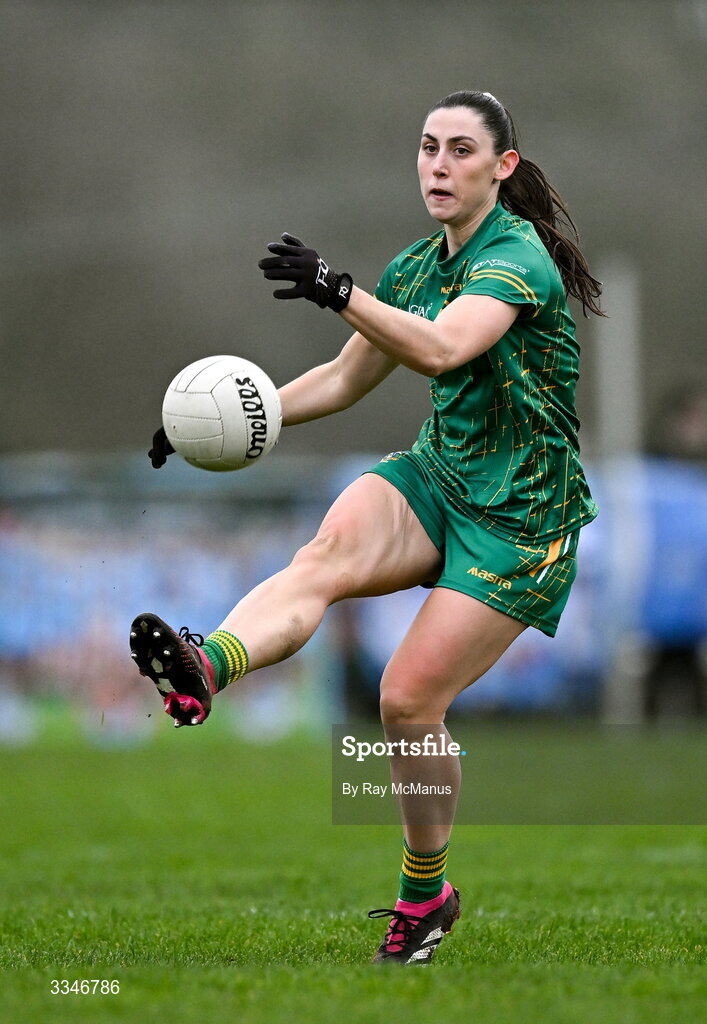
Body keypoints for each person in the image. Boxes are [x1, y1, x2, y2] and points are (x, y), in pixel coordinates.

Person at [130, 89, 603, 965]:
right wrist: (224, 421)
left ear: (502, 168)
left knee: (406, 699)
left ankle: (426, 894)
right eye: (428, 147)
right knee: (325, 553)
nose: (439, 164)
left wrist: (337, 288)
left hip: (523, 518)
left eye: (462, 150)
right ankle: (209, 665)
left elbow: (440, 349)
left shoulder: (516, 257)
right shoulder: (418, 264)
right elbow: (347, 380)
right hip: (440, 476)